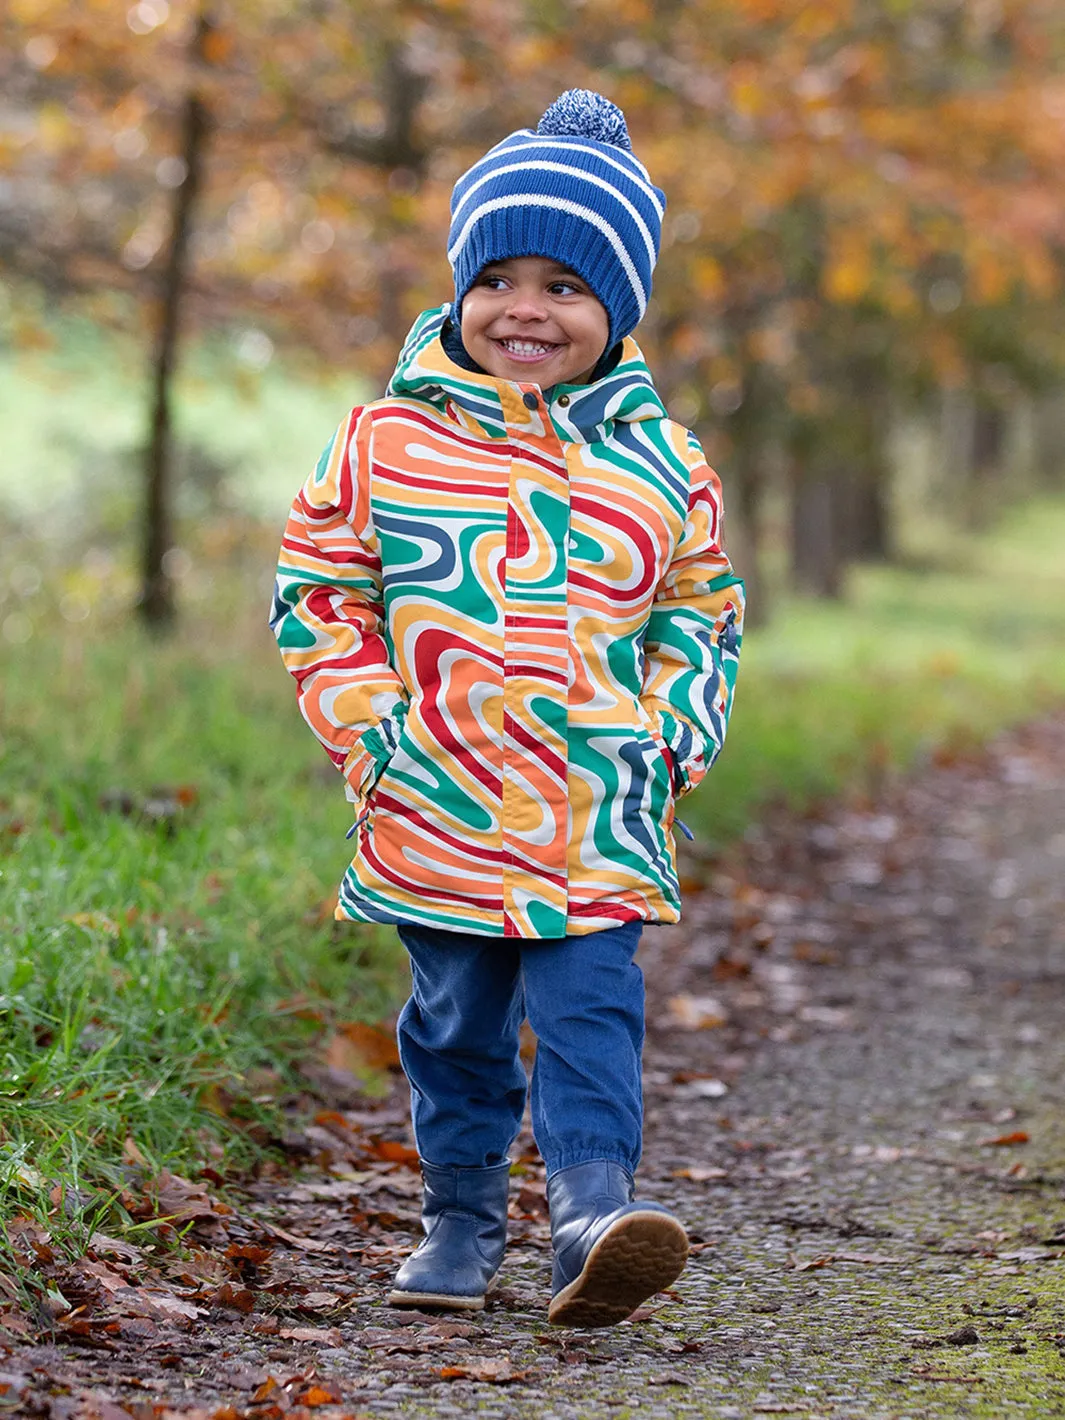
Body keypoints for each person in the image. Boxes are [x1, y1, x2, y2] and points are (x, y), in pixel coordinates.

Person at [271, 89, 744, 1328]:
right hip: (438, 797)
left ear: (617, 310)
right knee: (454, 1021)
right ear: (461, 289)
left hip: (597, 803)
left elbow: (702, 608)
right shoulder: (384, 442)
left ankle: (592, 1215)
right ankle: (463, 1213)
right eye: (502, 278)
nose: (527, 309)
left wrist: (671, 732)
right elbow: (321, 589)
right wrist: (375, 731)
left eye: (567, 287)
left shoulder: (662, 460)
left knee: (593, 1008)